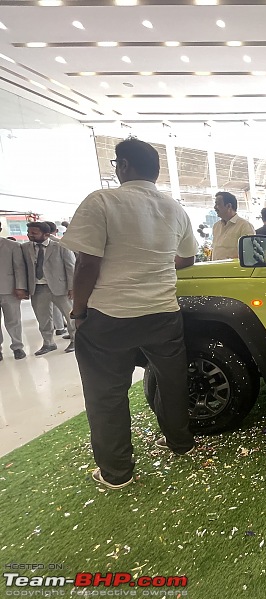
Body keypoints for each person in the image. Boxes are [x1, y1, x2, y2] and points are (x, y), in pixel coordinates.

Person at [60, 138, 198, 490]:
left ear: (123, 165)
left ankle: (117, 472)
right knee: (171, 381)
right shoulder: (175, 208)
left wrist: (78, 312)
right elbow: (187, 258)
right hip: (164, 312)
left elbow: (87, 263)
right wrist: (157, 264)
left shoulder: (102, 201)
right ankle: (180, 442)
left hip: (110, 315)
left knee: (106, 393)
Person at [21, 221, 76, 355]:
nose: (30, 235)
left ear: (46, 234)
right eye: (29, 232)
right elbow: (21, 268)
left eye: (34, 233)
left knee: (70, 316)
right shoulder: (25, 248)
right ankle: (48, 343)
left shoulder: (61, 246)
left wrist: (72, 287)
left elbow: (70, 267)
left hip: (60, 287)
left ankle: (76, 340)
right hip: (38, 288)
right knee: (43, 318)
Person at [0, 222, 27, 360]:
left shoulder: (13, 246)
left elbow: (19, 268)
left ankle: (17, 347)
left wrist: (20, 287)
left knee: (13, 320)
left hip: (9, 289)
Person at [210, 191, 255, 260]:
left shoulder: (244, 226)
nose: (215, 207)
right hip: (215, 268)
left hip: (234, 269)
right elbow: (214, 250)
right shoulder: (216, 226)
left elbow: (250, 254)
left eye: (218, 204)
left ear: (229, 206)